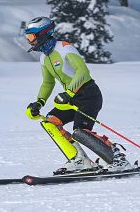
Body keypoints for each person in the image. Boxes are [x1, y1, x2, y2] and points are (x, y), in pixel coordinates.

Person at [24, 16, 132, 174]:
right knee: (50, 122)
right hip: (71, 99)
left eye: (31, 37)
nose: (29, 41)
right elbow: (48, 83)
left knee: (80, 132)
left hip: (88, 94)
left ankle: (118, 160)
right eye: (28, 37)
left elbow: (83, 71)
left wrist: (69, 92)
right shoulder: (44, 58)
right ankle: (79, 160)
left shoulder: (64, 48)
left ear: (43, 34)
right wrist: (38, 103)